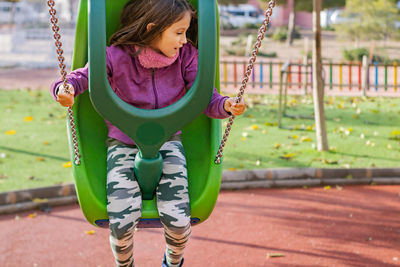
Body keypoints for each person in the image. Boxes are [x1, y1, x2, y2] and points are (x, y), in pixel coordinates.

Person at [50, 0, 246, 266]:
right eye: (178, 32)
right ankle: (125, 263)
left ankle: (173, 261)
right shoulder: (114, 56)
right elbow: (81, 77)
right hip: (122, 143)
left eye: (186, 32)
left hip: (169, 142)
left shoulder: (187, 57)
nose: (184, 40)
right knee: (120, 222)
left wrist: (226, 105)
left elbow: (205, 97)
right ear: (153, 29)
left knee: (178, 221)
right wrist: (65, 89)